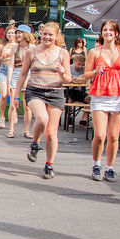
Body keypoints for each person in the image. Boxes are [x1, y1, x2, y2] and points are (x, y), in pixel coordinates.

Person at [14, 21, 71, 179]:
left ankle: (49, 164)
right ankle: (35, 142)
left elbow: (68, 79)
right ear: (41, 34)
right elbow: (23, 74)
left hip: (55, 92)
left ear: (56, 36)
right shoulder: (31, 51)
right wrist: (16, 95)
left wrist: (62, 73)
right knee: (42, 118)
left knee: (51, 134)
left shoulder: (63, 53)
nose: (47, 37)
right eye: (45, 34)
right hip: (35, 91)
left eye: (50, 35)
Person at [83, 20, 120, 182]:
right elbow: (86, 75)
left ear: (116, 33)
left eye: (111, 30)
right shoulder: (94, 52)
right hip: (100, 94)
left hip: (119, 94)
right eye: (105, 30)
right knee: (99, 135)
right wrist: (95, 71)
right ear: (101, 32)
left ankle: (110, 167)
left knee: (113, 136)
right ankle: (96, 164)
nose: (108, 32)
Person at [8, 26, 34, 139]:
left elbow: (34, 67)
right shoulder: (15, 48)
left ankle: (27, 130)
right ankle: (11, 129)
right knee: (13, 104)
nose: (18, 35)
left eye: (20, 33)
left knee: (27, 105)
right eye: (17, 33)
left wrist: (28, 80)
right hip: (16, 74)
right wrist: (9, 81)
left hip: (29, 74)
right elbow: (11, 66)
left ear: (26, 34)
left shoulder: (33, 48)